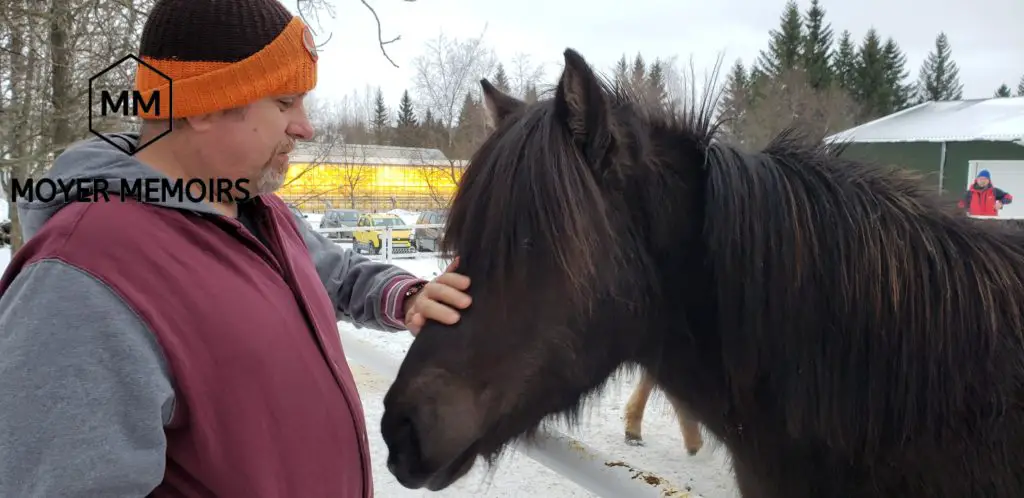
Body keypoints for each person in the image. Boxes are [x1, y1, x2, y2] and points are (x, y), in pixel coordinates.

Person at [0, 0, 471, 496]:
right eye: (285, 102)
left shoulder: (257, 212)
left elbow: (337, 273)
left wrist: (408, 296)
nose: (305, 127)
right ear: (205, 105)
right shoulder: (83, 275)